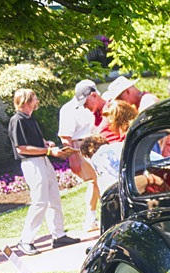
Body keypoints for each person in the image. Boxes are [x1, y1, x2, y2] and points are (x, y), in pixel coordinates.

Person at [7, 88, 80, 256]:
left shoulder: (30, 119)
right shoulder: (17, 120)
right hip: (32, 163)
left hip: (42, 161)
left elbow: (36, 142)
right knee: (39, 201)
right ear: (26, 101)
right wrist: (47, 152)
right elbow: (21, 148)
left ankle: (58, 235)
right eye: (34, 98)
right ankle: (26, 240)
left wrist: (47, 144)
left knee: (54, 197)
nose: (37, 100)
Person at [58, 80, 101, 231]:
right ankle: (91, 218)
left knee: (98, 181)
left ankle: (94, 217)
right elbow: (65, 137)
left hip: (97, 142)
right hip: (82, 146)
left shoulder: (99, 101)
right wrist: (73, 158)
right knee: (95, 181)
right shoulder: (68, 109)